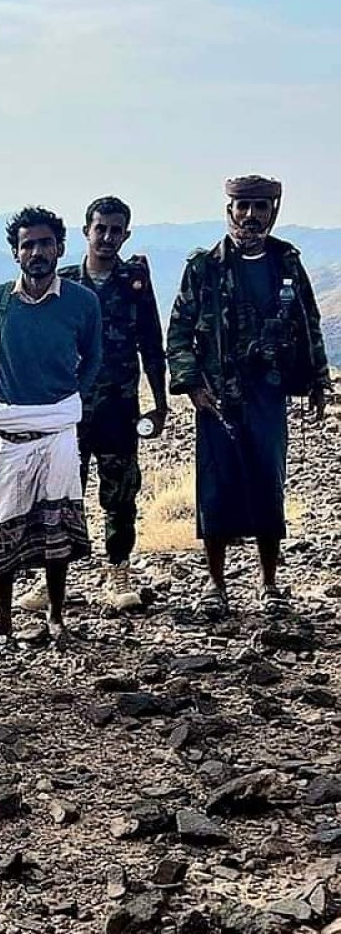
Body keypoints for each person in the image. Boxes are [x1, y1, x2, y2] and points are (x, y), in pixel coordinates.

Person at [167, 174, 331, 618]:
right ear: (230, 209)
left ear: (273, 211)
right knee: (216, 489)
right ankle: (215, 586)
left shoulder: (286, 263)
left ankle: (269, 583)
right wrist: (193, 385)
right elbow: (179, 332)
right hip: (218, 397)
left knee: (267, 484)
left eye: (260, 207)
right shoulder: (205, 266)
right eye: (243, 206)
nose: (251, 216)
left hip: (269, 394)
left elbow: (308, 322)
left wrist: (319, 382)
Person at [23, 195, 166, 612]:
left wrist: (158, 404)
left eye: (116, 230)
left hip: (119, 408)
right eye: (100, 228)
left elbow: (151, 346)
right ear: (86, 230)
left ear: (126, 234)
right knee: (61, 493)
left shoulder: (134, 282)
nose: (107, 237)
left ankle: (118, 569)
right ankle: (52, 580)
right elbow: (42, 344)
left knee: (120, 493)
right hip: (69, 409)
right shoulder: (64, 283)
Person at [0, 206, 102, 646]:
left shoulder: (82, 302)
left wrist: (65, 398)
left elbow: (94, 359)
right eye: (27, 244)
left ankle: (55, 617)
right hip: (7, 431)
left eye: (45, 243)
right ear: (15, 253)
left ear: (60, 248)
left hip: (57, 429)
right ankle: (4, 619)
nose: (37, 252)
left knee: (56, 527)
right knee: (2, 524)